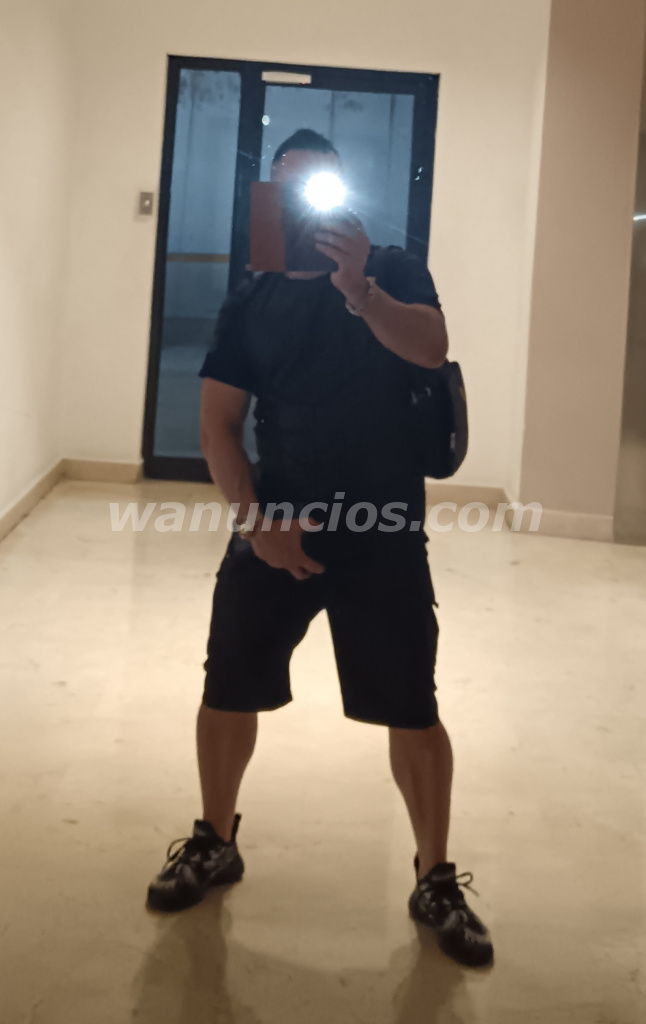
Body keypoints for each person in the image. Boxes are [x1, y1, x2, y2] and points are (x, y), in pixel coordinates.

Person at [147, 129, 494, 969]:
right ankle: (214, 840)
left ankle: (435, 877)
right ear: (267, 197)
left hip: (384, 525)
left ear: (347, 194)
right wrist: (254, 524)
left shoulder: (393, 270)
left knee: (411, 702)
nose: (306, 206)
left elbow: (432, 348)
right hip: (279, 518)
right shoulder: (251, 298)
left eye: (322, 188)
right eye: (288, 188)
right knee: (227, 683)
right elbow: (218, 423)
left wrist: (359, 288)